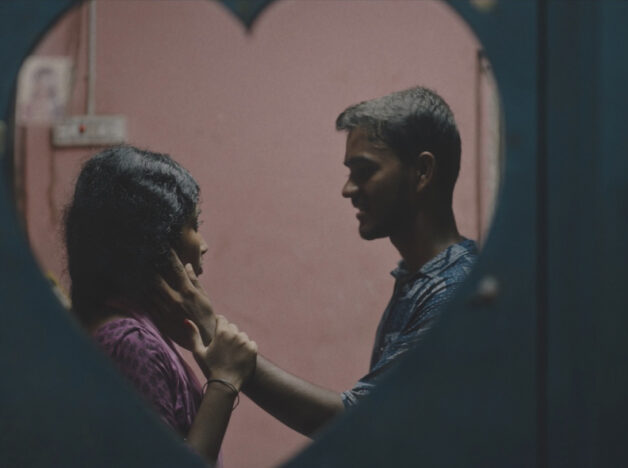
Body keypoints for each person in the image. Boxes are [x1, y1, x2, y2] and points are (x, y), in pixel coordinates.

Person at [155, 86, 478, 437]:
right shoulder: (419, 279)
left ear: (422, 171)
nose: (348, 189)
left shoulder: (454, 292)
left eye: (364, 171)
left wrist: (218, 340)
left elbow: (362, 424)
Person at [64, 146, 257, 464]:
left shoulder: (128, 325)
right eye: (194, 225)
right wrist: (223, 383)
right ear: (155, 243)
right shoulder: (131, 343)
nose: (203, 245)